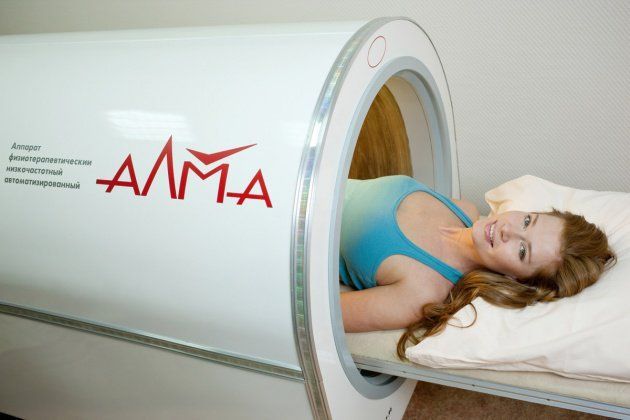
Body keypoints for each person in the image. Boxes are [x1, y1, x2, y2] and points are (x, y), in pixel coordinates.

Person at [338, 175, 616, 360]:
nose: (509, 230)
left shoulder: (423, 292)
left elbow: (323, 313)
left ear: (516, 278)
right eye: (528, 221)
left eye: (522, 251)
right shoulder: (464, 210)